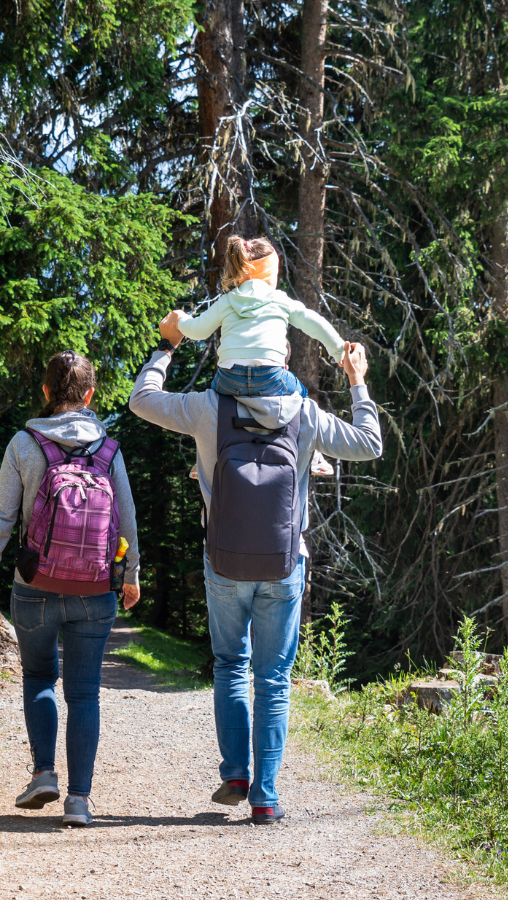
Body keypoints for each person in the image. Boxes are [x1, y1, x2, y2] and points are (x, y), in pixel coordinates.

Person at [128, 313, 382, 825]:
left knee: (230, 665)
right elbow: (370, 444)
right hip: (284, 564)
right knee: (273, 678)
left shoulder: (206, 408)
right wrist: (357, 381)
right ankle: (265, 797)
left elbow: (141, 401)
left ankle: (235, 774)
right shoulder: (306, 414)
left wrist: (166, 346)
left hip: (223, 561)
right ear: (283, 360)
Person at [0, 350, 142, 828]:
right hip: (95, 590)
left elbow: (1, 517)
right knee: (84, 693)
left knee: (39, 676)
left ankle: (44, 772)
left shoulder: (25, 444)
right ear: (89, 396)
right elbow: (126, 518)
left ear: (45, 393)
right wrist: (131, 574)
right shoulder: (109, 450)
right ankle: (80, 801)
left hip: (34, 585)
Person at [171, 235, 346, 400]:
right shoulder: (280, 300)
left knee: (214, 394)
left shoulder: (226, 301)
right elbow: (315, 323)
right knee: (302, 396)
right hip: (270, 376)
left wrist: (179, 320)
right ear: (271, 274)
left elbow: (198, 330)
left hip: (229, 379)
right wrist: (339, 351)